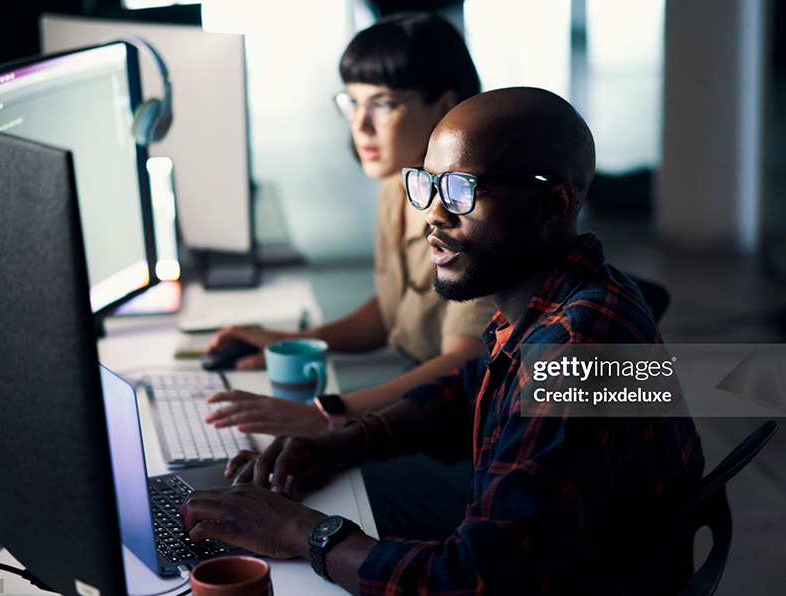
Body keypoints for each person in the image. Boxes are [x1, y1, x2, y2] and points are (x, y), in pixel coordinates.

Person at [179, 87, 705, 595]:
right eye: (427, 184)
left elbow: (470, 582)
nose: (433, 212)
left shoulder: (576, 352)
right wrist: (341, 443)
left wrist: (301, 531)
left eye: (462, 190)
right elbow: (467, 389)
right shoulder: (558, 297)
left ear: (556, 203)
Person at [204, 11, 497, 438]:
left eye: (382, 104)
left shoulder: (469, 211)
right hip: (420, 402)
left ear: (445, 104)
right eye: (352, 102)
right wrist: (293, 339)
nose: (360, 125)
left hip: (470, 426)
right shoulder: (402, 180)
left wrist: (330, 413)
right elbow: (395, 310)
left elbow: (463, 361)